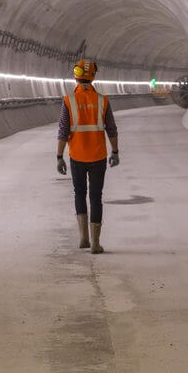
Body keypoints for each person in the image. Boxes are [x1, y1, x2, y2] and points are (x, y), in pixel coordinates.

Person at [56, 59, 120, 253]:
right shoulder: (103, 100)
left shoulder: (68, 100)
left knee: (80, 193)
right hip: (98, 155)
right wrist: (115, 152)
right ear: (93, 76)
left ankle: (83, 238)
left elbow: (63, 130)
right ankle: (95, 243)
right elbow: (111, 128)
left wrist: (59, 156)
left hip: (77, 156)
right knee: (95, 197)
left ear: (75, 76)